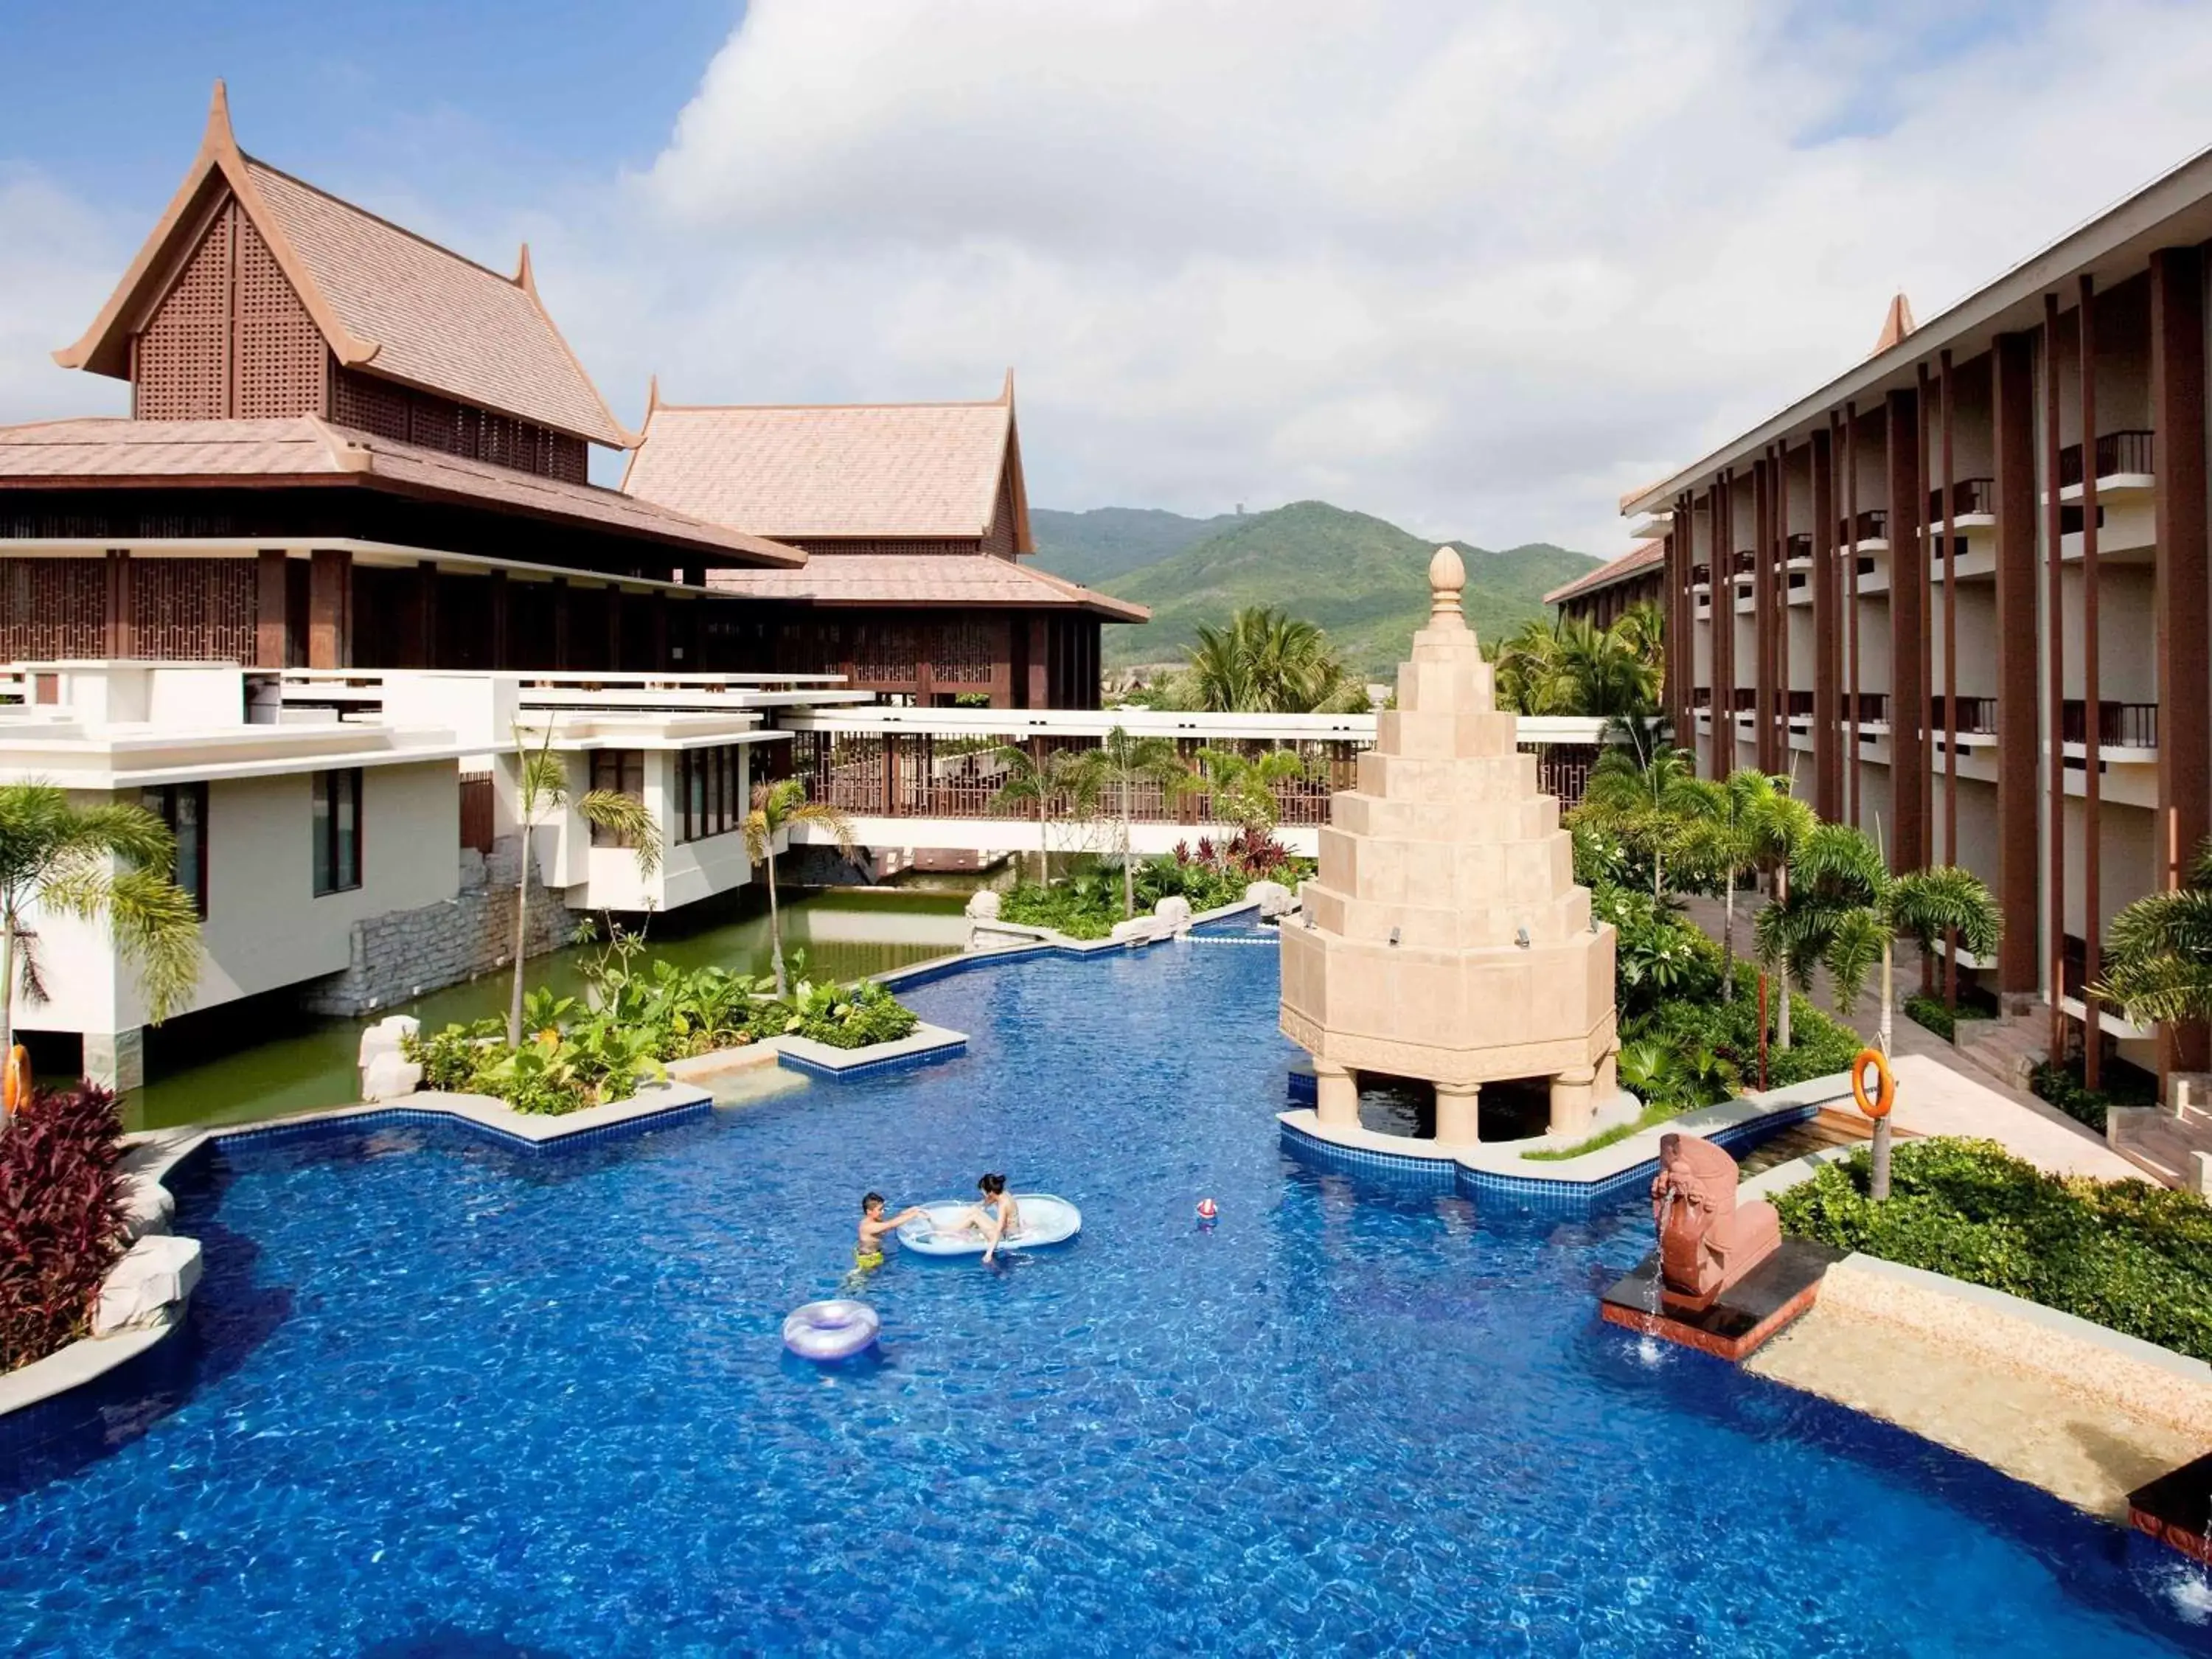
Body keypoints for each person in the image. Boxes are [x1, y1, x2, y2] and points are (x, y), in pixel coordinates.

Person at [935, 1173, 1020, 1263]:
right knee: (974, 1210)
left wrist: (989, 1254)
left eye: (983, 1193)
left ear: (990, 1192)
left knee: (975, 1217)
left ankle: (947, 1233)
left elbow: (998, 1230)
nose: (983, 1195)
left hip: (1005, 1237)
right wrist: (975, 1208)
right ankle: (951, 1227)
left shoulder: (1003, 1204)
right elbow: (986, 1202)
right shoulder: (1002, 1193)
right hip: (1006, 1231)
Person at [854, 1191, 926, 1272]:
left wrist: (907, 1212)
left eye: (883, 1209)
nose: (883, 1212)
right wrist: (913, 1215)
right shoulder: (868, 1226)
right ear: (869, 1212)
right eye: (880, 1210)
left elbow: (893, 1221)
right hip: (867, 1259)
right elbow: (891, 1224)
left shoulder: (877, 1220)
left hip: (875, 1253)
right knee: (861, 1278)